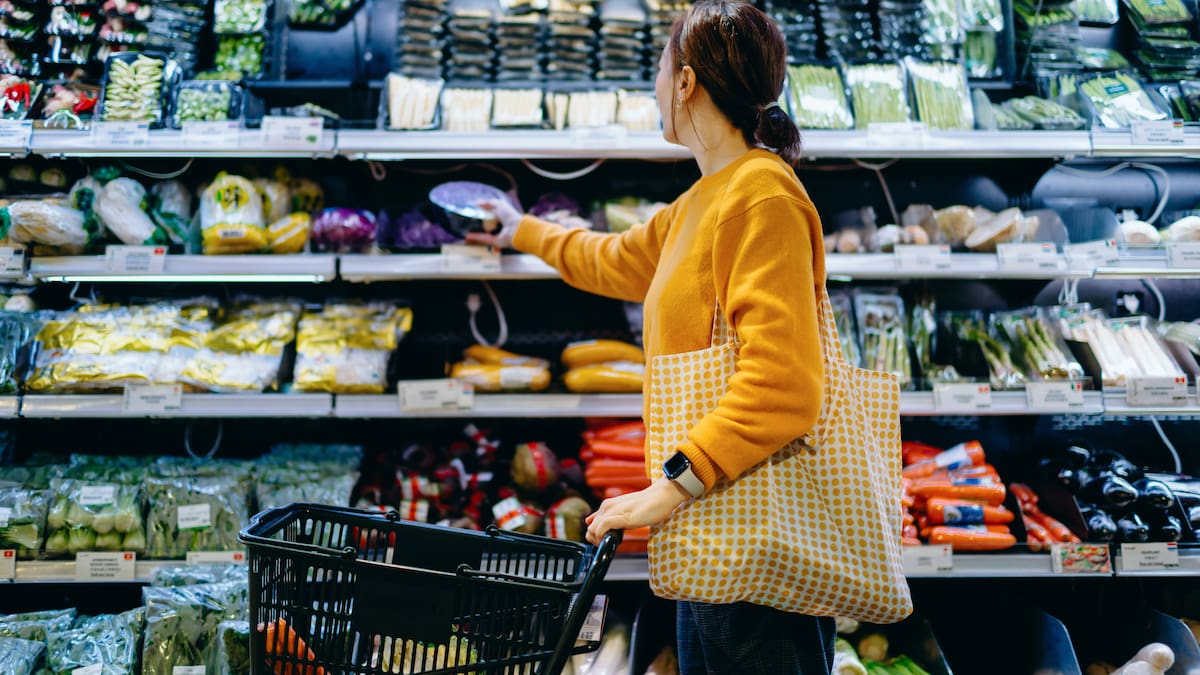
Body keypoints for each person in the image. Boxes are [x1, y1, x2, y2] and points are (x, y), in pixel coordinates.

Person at [471, 0, 833, 672]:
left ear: (688, 81)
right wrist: (518, 227)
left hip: (758, 552)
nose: (655, 88)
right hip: (712, 536)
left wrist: (670, 484)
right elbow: (610, 259)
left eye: (661, 70)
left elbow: (784, 385)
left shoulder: (764, 197)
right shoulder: (703, 201)